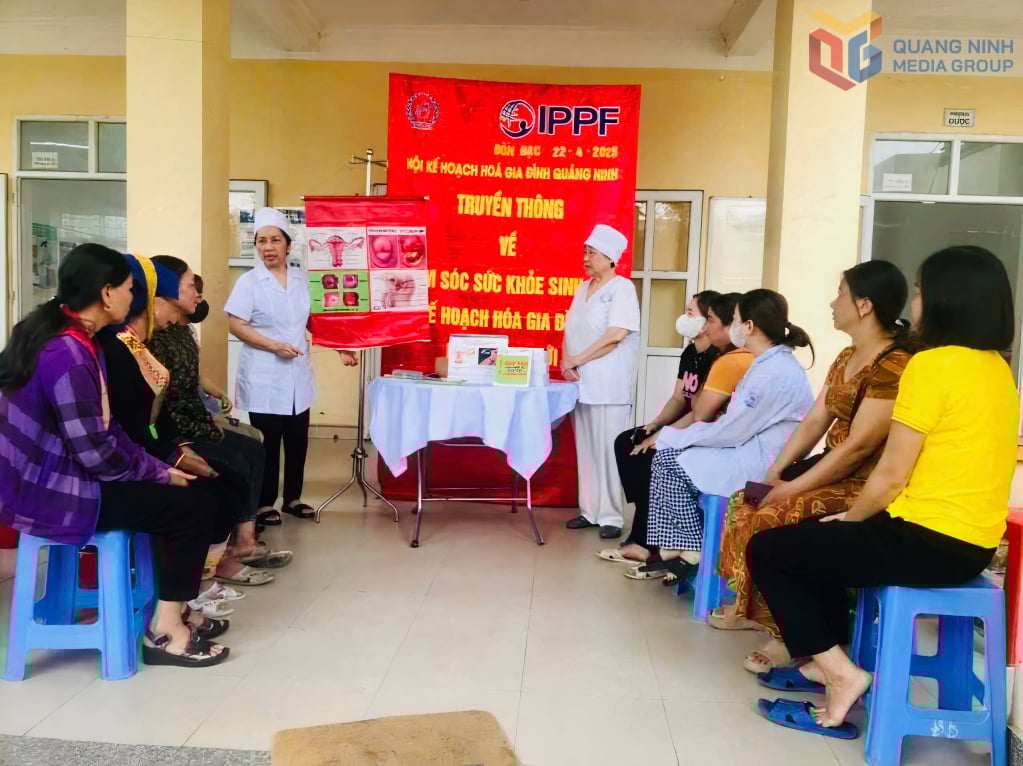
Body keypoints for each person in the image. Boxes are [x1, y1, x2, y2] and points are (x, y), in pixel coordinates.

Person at [750, 246, 1017, 739]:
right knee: (816, 537)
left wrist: (851, 518)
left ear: (946, 300)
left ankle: (841, 675)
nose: (914, 302)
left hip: (925, 538)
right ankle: (821, 664)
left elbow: (892, 475)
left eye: (919, 292)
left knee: (770, 549)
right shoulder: (997, 369)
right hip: (973, 545)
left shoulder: (931, 366)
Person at [0, 244, 232, 667]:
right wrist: (159, 474)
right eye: (128, 289)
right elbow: (96, 453)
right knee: (193, 507)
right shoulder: (66, 353)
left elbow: (108, 431)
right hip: (53, 492)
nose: (133, 298)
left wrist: (159, 466)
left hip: (63, 476)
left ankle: (173, 610)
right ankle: (166, 632)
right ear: (106, 294)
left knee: (195, 492)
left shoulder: (76, 339)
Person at [715, 262, 913, 675]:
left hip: (863, 480)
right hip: (831, 464)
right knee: (745, 500)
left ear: (864, 305)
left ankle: (794, 639)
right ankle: (760, 612)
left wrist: (792, 488)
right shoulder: (847, 356)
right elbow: (814, 421)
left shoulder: (894, 364)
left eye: (840, 293)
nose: (832, 302)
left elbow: (859, 448)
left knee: (775, 514)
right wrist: (777, 471)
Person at [637, 289, 815, 580]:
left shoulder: (774, 371)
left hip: (760, 460)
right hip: (748, 447)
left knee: (668, 460)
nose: (732, 326)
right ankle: (677, 548)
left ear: (749, 326)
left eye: (735, 319)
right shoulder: (765, 363)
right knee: (669, 455)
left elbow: (734, 430)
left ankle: (690, 549)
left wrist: (676, 437)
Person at [225, 208, 356, 524]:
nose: (268, 247)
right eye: (262, 241)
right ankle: (264, 503)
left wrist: (340, 347)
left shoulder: (302, 280)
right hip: (264, 375)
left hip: (298, 375)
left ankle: (293, 498)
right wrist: (273, 346)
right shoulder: (249, 282)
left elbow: (312, 321)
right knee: (268, 444)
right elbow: (236, 325)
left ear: (287, 245)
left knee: (298, 441)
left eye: (275, 240)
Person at [601, 291, 749, 566]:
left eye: (692, 313)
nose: (684, 317)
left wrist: (663, 436)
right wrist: (656, 424)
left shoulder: (722, 358)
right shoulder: (691, 352)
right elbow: (679, 398)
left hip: (702, 428)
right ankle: (646, 516)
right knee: (627, 441)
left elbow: (702, 413)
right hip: (684, 420)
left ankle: (647, 541)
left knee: (649, 455)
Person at [560, 224, 641, 539]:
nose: (586, 257)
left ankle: (611, 516)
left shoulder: (622, 288)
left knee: (608, 450)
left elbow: (615, 335)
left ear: (610, 257)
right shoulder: (582, 288)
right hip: (582, 382)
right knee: (587, 449)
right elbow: (570, 329)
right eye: (585, 252)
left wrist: (577, 360)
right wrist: (567, 361)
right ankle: (589, 510)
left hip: (609, 385)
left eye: (592, 253)